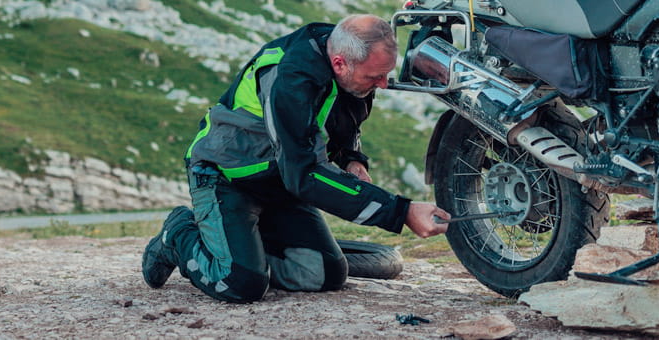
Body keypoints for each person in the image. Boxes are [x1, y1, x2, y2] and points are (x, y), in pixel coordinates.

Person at [142, 14, 451, 303]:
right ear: (340, 63)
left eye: (385, 75)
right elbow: (304, 175)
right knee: (241, 284)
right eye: (375, 77)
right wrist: (402, 211)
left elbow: (346, 124)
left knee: (328, 273)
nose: (382, 84)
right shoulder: (289, 78)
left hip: (277, 181)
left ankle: (245, 250)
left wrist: (352, 161)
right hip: (226, 177)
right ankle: (179, 234)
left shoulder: (353, 65)